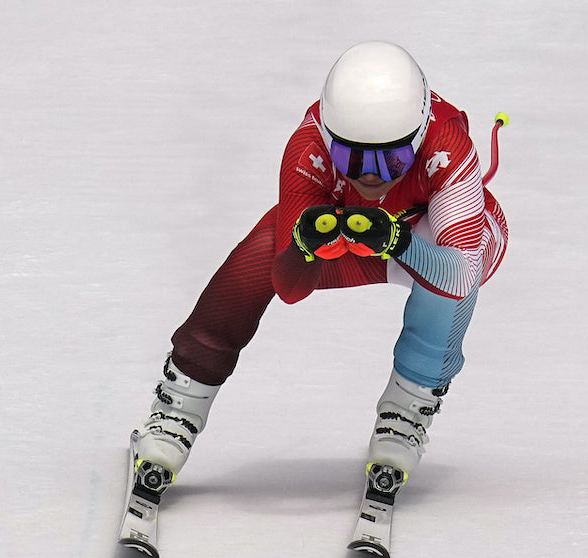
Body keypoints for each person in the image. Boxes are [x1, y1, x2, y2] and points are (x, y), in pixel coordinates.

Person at [130, 40, 509, 505]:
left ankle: (411, 402)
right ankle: (180, 401)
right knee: (264, 248)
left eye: (393, 159)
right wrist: (303, 250)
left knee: (460, 261)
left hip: (425, 245)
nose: (371, 177)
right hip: (355, 238)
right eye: (351, 158)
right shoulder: (306, 149)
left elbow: (463, 275)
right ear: (328, 140)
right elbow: (288, 287)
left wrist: (398, 241)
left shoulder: (447, 144)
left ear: (420, 135)